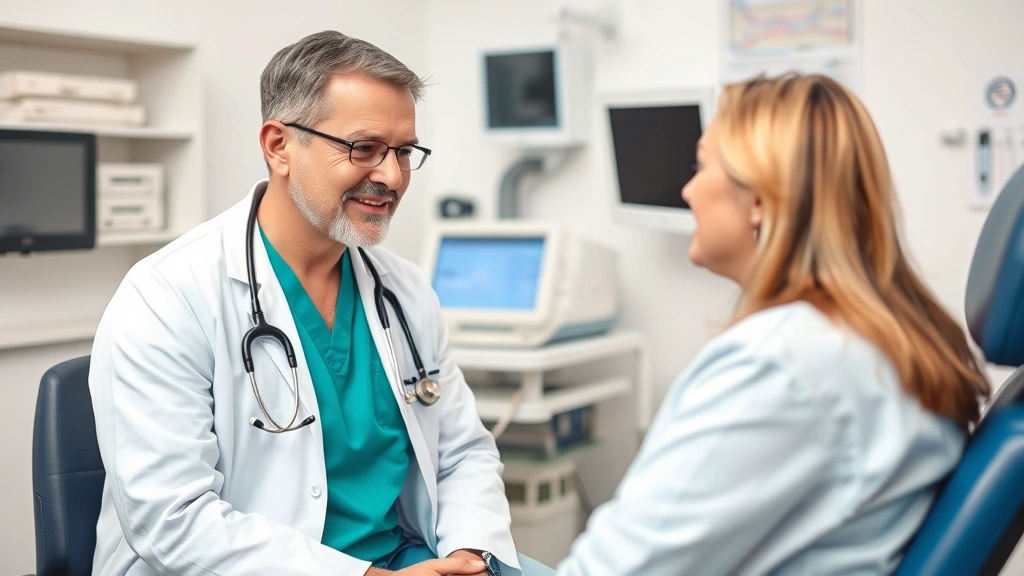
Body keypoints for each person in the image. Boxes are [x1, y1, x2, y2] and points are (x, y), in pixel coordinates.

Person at [89, 30, 552, 576]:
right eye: (364, 148)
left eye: (404, 151)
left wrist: (469, 554)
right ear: (278, 146)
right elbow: (173, 520)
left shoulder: (403, 292)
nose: (392, 176)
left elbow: (462, 452)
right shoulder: (167, 297)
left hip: (407, 558)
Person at [553, 73, 991, 575]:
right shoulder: (885, 342)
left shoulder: (780, 365)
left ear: (759, 198)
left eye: (700, 166)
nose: (687, 190)